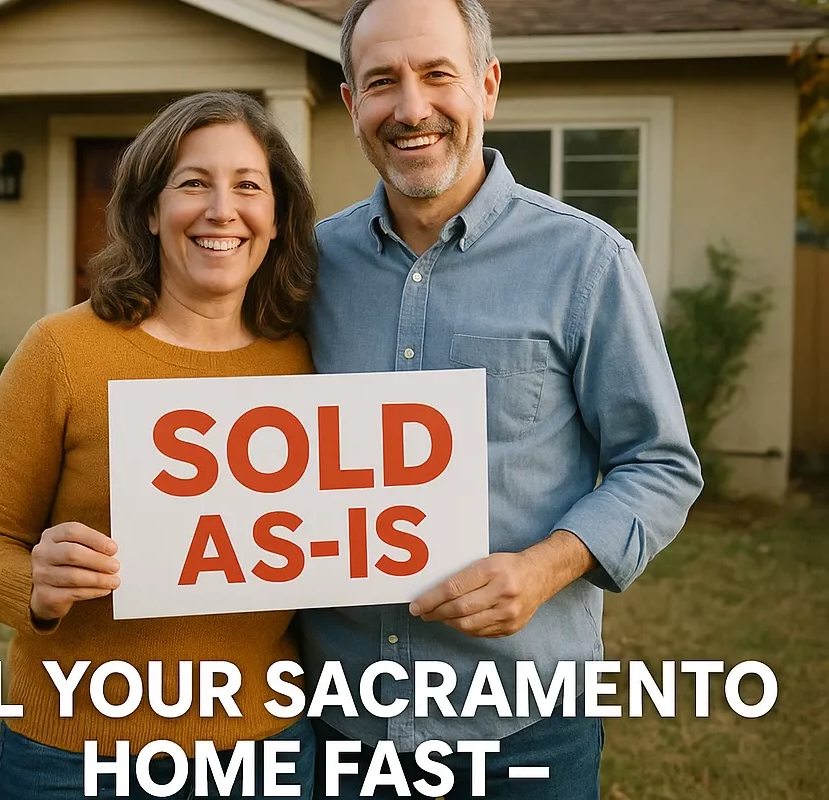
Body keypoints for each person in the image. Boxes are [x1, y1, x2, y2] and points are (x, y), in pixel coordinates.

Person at [299, 0, 704, 797]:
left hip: (527, 728)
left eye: (437, 74)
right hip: (338, 722)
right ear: (351, 105)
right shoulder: (305, 270)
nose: (410, 108)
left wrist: (548, 566)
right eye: (381, 81)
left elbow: (658, 465)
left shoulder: (586, 261)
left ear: (486, 86)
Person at [0, 91, 319, 800]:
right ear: (149, 210)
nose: (221, 210)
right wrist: (36, 586)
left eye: (248, 186)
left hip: (266, 751)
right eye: (193, 183)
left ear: (277, 218)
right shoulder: (61, 351)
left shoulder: (306, 363)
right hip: (72, 759)